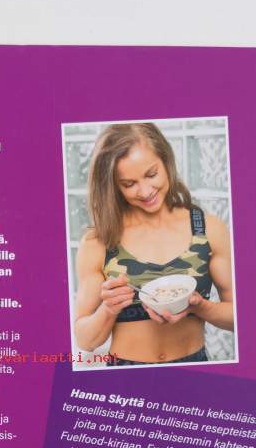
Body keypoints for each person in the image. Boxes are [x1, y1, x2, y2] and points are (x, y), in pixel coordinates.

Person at [73, 122, 234, 365]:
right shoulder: (100, 241)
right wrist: (108, 309)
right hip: (125, 375)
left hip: (194, 370)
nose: (146, 191)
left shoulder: (207, 229)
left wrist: (200, 307)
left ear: (166, 161)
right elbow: (85, 340)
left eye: (151, 174)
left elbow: (240, 318)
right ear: (113, 186)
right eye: (129, 184)